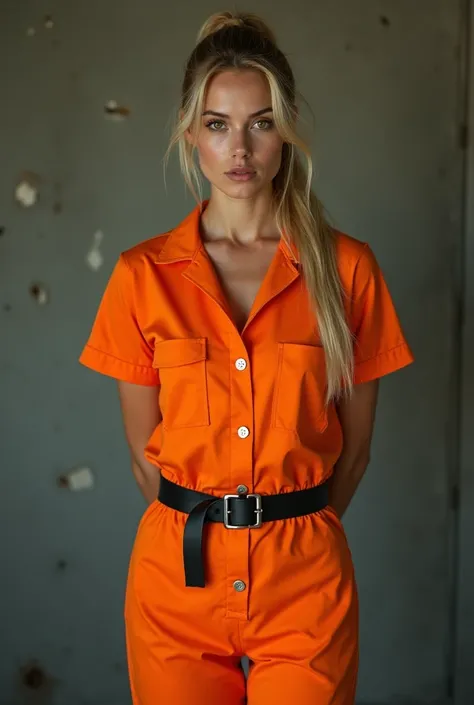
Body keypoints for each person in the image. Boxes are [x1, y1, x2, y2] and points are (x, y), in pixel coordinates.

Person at [79, 10, 415, 705]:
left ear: (286, 132)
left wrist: (288, 532)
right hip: (177, 587)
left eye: (261, 122)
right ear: (189, 132)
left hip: (306, 586)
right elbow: (146, 457)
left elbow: (352, 455)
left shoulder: (348, 270)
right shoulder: (142, 275)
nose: (240, 147)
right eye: (217, 123)